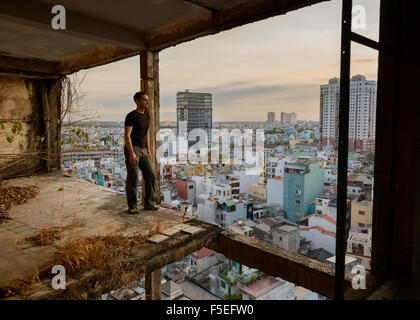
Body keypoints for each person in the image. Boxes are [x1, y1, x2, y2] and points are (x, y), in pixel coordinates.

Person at [124, 91, 158, 214]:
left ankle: (149, 203)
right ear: (137, 101)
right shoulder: (131, 116)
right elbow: (127, 135)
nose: (147, 102)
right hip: (133, 149)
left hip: (143, 150)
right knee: (133, 177)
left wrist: (148, 149)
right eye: (144, 100)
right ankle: (132, 206)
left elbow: (147, 134)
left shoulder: (147, 116)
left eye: (147, 100)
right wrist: (131, 153)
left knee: (150, 175)